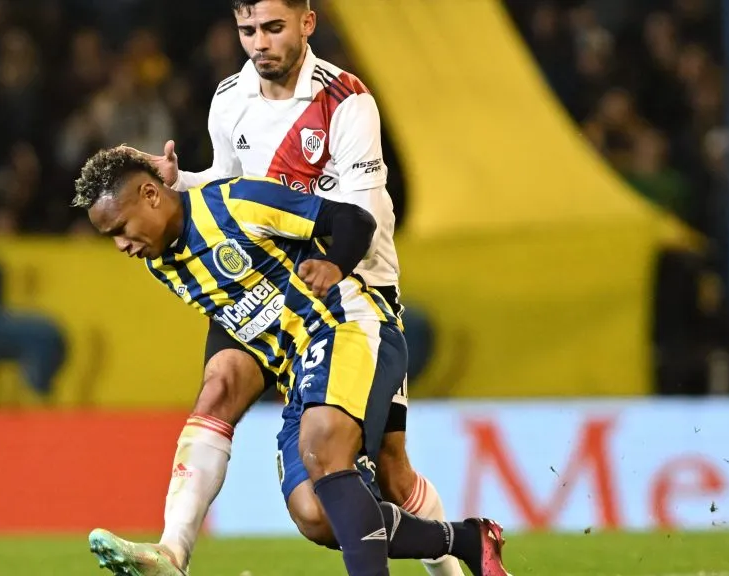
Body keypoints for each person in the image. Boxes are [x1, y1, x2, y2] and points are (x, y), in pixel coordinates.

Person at [127, 1, 464, 575]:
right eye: (248, 30)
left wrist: (334, 265)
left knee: (391, 467)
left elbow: (359, 212)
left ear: (307, 24)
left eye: (273, 28)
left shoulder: (348, 101)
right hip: (265, 282)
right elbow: (230, 187)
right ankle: (172, 552)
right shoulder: (229, 100)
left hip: (352, 284)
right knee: (219, 384)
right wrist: (181, 182)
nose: (260, 42)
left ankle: (456, 557)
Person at [72, 146, 512, 576]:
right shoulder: (161, 263)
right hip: (298, 374)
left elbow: (353, 219)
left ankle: (175, 550)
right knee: (316, 515)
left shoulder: (235, 203)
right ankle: (466, 540)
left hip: (347, 327)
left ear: (151, 195)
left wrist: (336, 264)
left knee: (326, 449)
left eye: (121, 228)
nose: (121, 245)